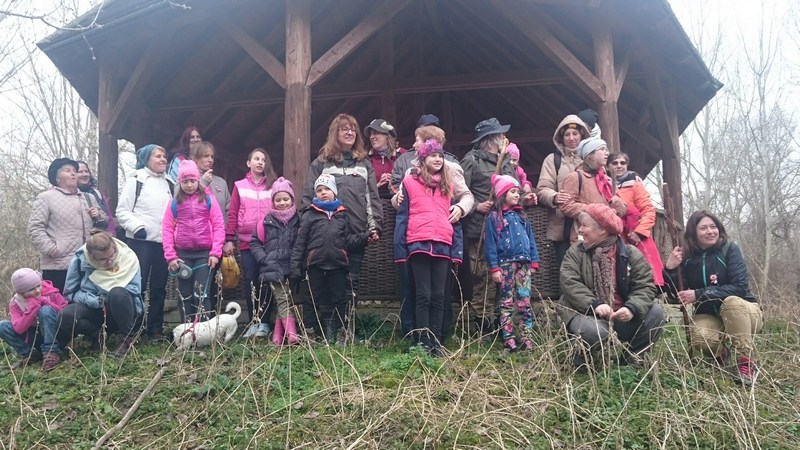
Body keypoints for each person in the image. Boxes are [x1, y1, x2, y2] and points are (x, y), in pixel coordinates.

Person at [390, 124, 474, 339]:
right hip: (418, 240)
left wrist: (460, 208)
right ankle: (419, 338)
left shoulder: (450, 173)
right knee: (421, 293)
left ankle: (438, 337)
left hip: (442, 239)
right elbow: (403, 205)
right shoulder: (411, 175)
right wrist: (396, 198)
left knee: (440, 294)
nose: (414, 143)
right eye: (433, 155)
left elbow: (466, 196)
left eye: (417, 139)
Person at [558, 204, 665, 370]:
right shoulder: (576, 252)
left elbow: (645, 285)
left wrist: (632, 308)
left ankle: (631, 362)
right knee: (594, 332)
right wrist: (595, 304)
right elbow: (569, 283)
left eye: (585, 226)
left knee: (656, 313)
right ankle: (582, 361)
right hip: (586, 314)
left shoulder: (630, 253)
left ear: (602, 230)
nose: (580, 230)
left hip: (621, 317)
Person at [664, 210, 763, 386]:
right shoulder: (687, 258)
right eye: (703, 228)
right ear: (693, 232)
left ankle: (746, 362)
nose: (710, 231)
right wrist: (670, 269)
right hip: (709, 314)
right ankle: (721, 353)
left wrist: (699, 294)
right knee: (700, 338)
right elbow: (675, 295)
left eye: (713, 226)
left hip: (745, 313)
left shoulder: (729, 249)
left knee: (731, 302)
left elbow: (740, 287)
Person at [300, 114, 382, 325]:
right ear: (334, 133)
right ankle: (327, 329)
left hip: (355, 233)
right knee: (326, 284)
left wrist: (375, 227)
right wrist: (310, 229)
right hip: (325, 236)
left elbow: (371, 198)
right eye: (344, 129)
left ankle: (347, 328)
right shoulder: (321, 163)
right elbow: (308, 198)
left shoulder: (364, 164)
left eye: (353, 129)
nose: (350, 132)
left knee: (351, 283)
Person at [460, 117, 529, 336]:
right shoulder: (471, 160)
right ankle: (481, 325)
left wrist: (525, 197)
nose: (503, 138)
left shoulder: (506, 162)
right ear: (491, 138)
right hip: (479, 229)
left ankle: (503, 324)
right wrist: (476, 206)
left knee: (505, 277)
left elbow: (515, 189)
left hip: (506, 230)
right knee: (482, 277)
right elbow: (458, 191)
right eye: (500, 134)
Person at [291, 174, 368, 344]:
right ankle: (309, 333)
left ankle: (342, 333)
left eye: (327, 189)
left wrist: (365, 237)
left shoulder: (342, 214)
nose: (323, 192)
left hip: (337, 265)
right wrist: (295, 268)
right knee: (311, 300)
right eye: (319, 190)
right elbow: (300, 243)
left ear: (334, 192)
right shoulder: (309, 214)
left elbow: (348, 240)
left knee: (340, 300)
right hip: (315, 264)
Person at [116, 144, 173, 340]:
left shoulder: (169, 183)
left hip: (163, 242)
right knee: (137, 287)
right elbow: (122, 211)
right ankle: (135, 329)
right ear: (146, 159)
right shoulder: (136, 180)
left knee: (159, 287)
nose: (163, 159)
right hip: (140, 242)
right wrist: (137, 227)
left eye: (164, 156)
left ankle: (155, 330)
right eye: (158, 156)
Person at [57, 230, 144, 358]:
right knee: (65, 315)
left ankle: (128, 339)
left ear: (114, 247)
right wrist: (95, 300)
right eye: (103, 259)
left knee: (117, 293)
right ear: (91, 256)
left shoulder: (128, 256)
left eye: (112, 255)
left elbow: (135, 289)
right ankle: (97, 336)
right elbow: (71, 293)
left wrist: (109, 295)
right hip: (94, 308)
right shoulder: (79, 260)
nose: (110, 262)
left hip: (122, 308)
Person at [162, 160, 225, 323]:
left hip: (204, 254)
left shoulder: (209, 200)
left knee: (202, 293)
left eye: (192, 181)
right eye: (185, 182)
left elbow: (219, 226)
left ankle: (205, 330)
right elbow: (167, 229)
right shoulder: (174, 203)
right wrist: (171, 256)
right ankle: (187, 329)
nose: (189, 185)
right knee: (185, 294)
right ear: (180, 183)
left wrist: (215, 253)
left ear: (198, 180)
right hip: (182, 255)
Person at [224, 148, 277, 337]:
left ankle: (265, 322)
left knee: (266, 281)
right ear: (249, 163)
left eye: (263, 159)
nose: (260, 162)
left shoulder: (273, 185)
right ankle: (253, 322)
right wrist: (229, 239)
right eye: (256, 158)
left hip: (269, 242)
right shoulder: (239, 186)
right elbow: (233, 213)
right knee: (251, 281)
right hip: (247, 242)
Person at [484, 174, 540, 352]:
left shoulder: (522, 217)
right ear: (502, 194)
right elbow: (490, 244)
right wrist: (494, 268)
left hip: (523, 265)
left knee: (524, 301)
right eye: (513, 192)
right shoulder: (495, 218)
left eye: (518, 192)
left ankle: (526, 337)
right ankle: (508, 338)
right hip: (505, 265)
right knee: (506, 301)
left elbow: (530, 239)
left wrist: (534, 261)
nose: (517, 195)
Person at [28, 158, 93, 293]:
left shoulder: (86, 198)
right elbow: (35, 228)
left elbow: (102, 222)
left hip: (87, 263)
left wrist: (98, 216)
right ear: (57, 178)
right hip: (58, 265)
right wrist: (51, 249)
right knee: (58, 303)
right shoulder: (45, 197)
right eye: (67, 171)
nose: (73, 173)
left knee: (84, 303)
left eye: (74, 171)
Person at [250, 177, 300, 345]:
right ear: (273, 202)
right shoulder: (267, 221)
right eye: (278, 200)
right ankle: (292, 335)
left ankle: (277, 337)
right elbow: (255, 243)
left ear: (292, 199)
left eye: (286, 199)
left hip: (291, 266)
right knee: (283, 299)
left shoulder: (298, 220)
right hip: (273, 267)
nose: (282, 203)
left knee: (285, 300)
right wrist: (264, 259)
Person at [536, 115, 590, 267]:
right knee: (567, 270)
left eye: (575, 134)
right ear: (561, 137)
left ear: (582, 135)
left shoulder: (590, 159)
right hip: (562, 228)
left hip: (588, 226)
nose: (571, 138)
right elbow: (542, 189)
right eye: (567, 134)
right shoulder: (553, 160)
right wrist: (554, 197)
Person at [608, 152, 664, 288]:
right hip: (614, 235)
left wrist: (639, 232)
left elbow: (648, 210)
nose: (619, 166)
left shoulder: (635, 185)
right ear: (608, 166)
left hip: (634, 234)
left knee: (646, 272)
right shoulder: (604, 184)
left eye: (622, 163)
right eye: (615, 163)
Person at [559, 138, 626, 244]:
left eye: (606, 149)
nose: (607, 153)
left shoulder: (607, 180)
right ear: (589, 154)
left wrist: (617, 204)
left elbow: (622, 210)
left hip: (608, 240)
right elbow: (566, 205)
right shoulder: (575, 177)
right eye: (602, 149)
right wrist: (592, 210)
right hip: (585, 239)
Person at [0, 268, 67, 371]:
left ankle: (51, 353)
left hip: (56, 335)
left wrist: (46, 302)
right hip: (34, 337)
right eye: (31, 289)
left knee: (45, 310)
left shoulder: (51, 293)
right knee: (3, 326)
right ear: (21, 293)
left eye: (38, 285)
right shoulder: (15, 303)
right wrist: (32, 310)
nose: (37, 290)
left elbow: (65, 312)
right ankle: (30, 354)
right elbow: (18, 329)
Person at [364, 118, 405, 199]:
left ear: (387, 136)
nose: (372, 137)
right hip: (373, 201)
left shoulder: (402, 156)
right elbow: (360, 187)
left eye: (376, 133)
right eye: (371, 134)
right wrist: (377, 185)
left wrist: (395, 181)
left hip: (398, 201)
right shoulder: (366, 158)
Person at [190, 141, 231, 223]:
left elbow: (229, 210)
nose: (210, 160)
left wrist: (226, 228)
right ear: (195, 158)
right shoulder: (186, 181)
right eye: (206, 156)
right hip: (196, 229)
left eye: (212, 157)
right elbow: (183, 205)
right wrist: (203, 183)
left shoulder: (221, 182)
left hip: (219, 229)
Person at [76, 161, 114, 233]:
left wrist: (111, 235)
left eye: (86, 171)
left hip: (97, 236)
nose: (84, 174)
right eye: (80, 172)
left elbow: (109, 218)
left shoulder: (97, 194)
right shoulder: (68, 194)